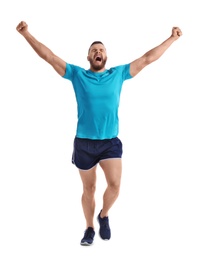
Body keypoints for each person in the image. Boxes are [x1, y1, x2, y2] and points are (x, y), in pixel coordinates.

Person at [16, 21, 182, 246]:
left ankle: (103, 216)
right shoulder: (77, 75)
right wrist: (27, 34)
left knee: (114, 186)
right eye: (94, 50)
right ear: (88, 58)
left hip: (110, 142)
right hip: (84, 143)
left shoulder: (119, 74)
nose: (98, 52)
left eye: (101, 49)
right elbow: (50, 57)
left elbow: (147, 58)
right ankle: (89, 228)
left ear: (106, 56)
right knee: (89, 188)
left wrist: (172, 38)